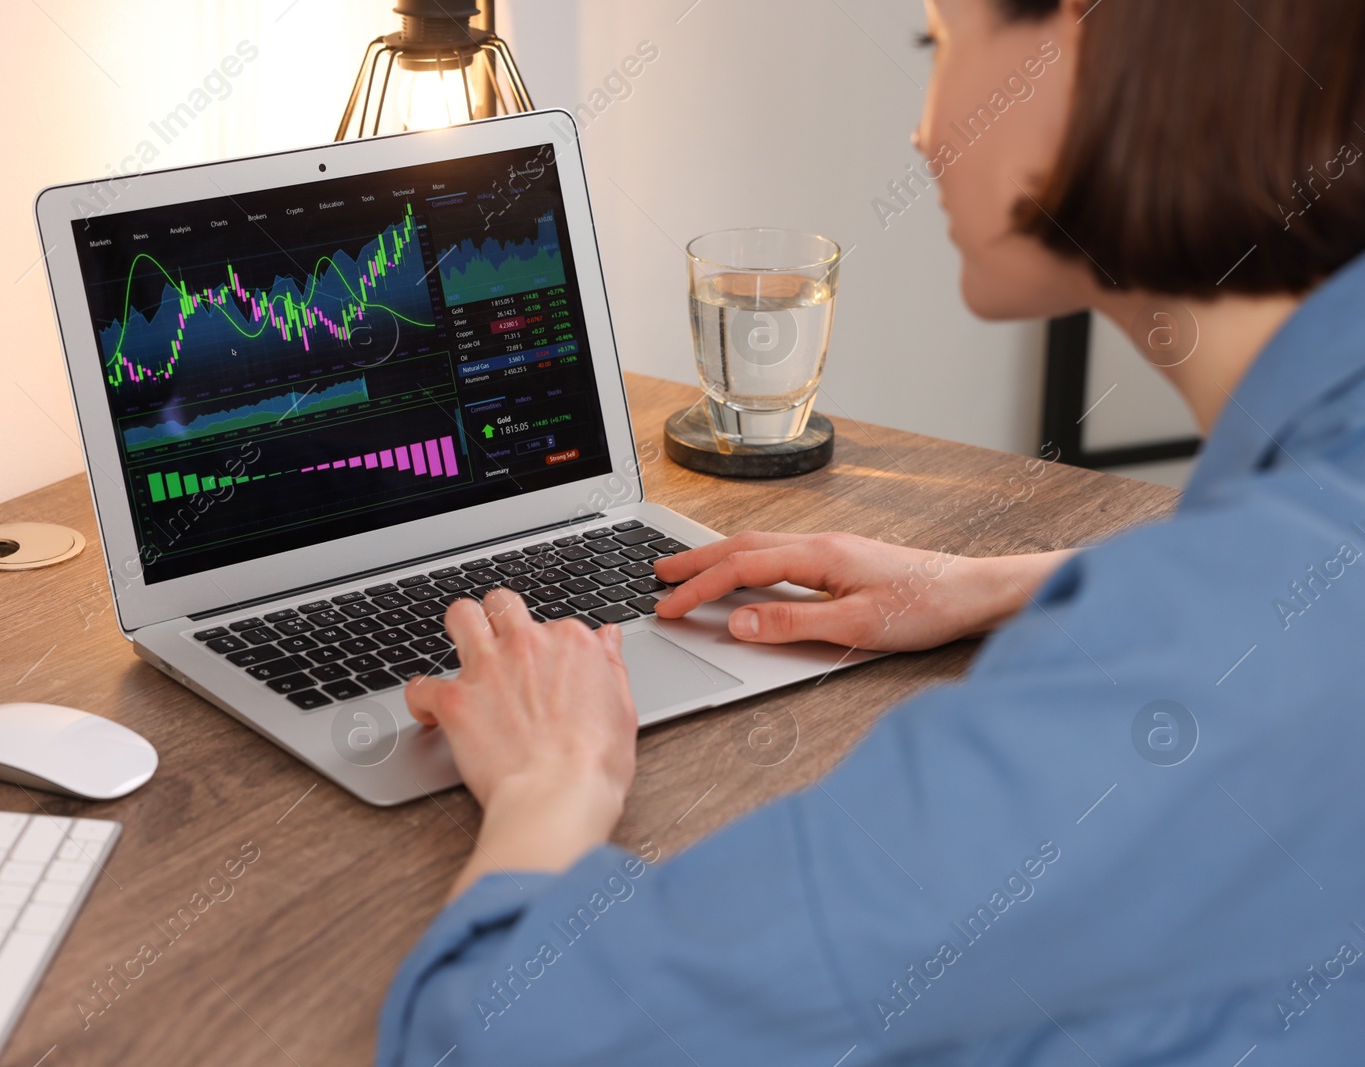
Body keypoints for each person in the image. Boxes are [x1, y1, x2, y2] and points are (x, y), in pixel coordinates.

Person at [378, 0, 1365, 1062]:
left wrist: (547, 782)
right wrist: (1004, 580)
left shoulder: (1182, 685)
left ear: (1089, 38)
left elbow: (502, 1035)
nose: (923, 131)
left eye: (938, 43)